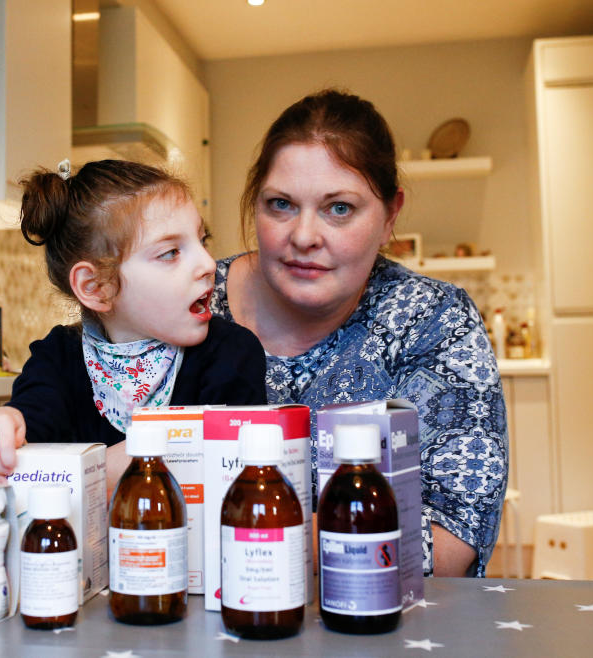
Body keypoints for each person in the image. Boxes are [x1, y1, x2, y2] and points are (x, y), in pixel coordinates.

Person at [210, 89, 508, 577]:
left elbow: (454, 538)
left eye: (339, 208)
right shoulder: (191, 303)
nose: (304, 235)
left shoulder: (432, 321)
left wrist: (258, 544)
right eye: (281, 204)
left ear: (391, 216)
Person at [0, 159, 267, 490]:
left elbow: (214, 463)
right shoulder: (57, 359)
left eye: (202, 240)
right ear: (97, 288)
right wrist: (6, 422)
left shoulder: (233, 353)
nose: (208, 264)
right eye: (170, 253)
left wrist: (83, 475)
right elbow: (32, 420)